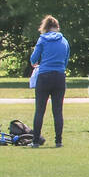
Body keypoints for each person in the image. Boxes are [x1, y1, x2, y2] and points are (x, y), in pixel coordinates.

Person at [30, 15, 71, 147]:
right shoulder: (64, 41)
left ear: (45, 27)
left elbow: (33, 59)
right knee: (58, 111)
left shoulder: (42, 40)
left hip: (44, 76)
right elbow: (66, 61)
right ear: (57, 27)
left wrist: (36, 63)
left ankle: (36, 141)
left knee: (40, 110)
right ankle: (58, 141)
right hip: (59, 76)